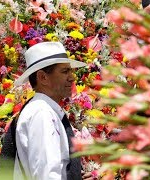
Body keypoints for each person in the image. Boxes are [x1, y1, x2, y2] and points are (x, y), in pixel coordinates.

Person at [12, 42, 93, 180]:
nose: (72, 77)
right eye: (64, 71)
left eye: (70, 70)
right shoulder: (42, 113)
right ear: (43, 77)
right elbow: (46, 175)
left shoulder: (42, 109)